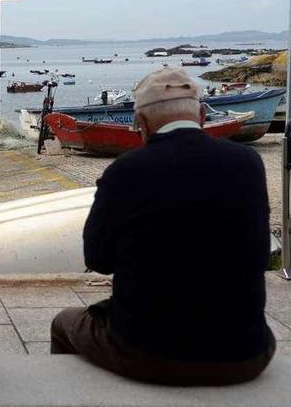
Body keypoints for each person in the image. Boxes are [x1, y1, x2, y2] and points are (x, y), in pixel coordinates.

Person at [50, 67, 275, 385]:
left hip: (148, 352)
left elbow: (97, 260)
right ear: (200, 115)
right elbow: (261, 254)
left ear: (140, 123)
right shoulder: (248, 164)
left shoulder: (126, 171)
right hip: (246, 353)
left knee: (64, 323)